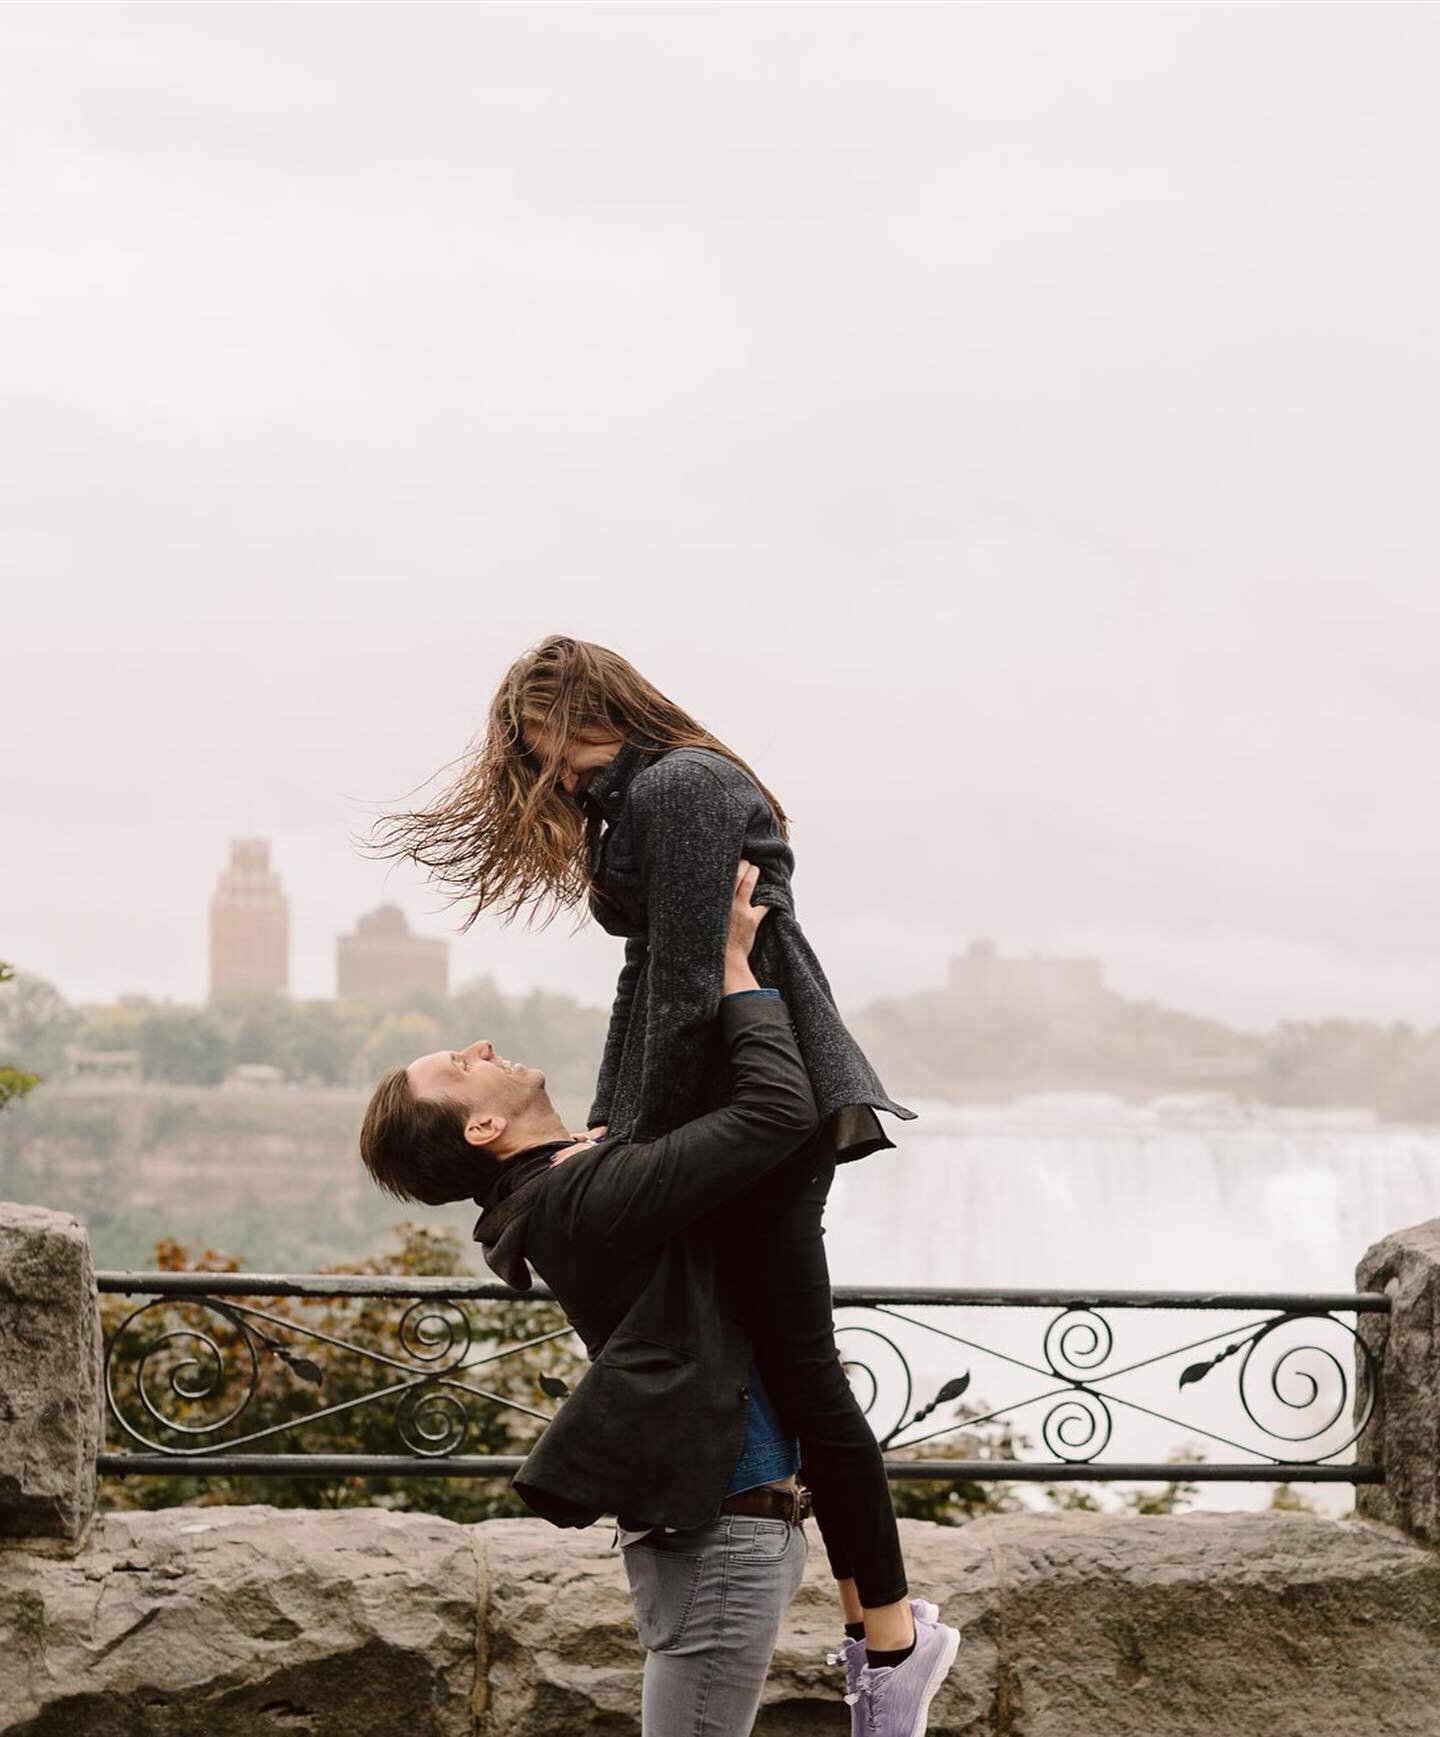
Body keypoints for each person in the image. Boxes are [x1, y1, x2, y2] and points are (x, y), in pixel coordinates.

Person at [373, 637, 961, 1736]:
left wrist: (634, 1131)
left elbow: (692, 971)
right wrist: (615, 1126)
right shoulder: (635, 798)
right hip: (712, 1086)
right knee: (784, 1369)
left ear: (572, 709)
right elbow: (646, 977)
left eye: (534, 744)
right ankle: (880, 1635)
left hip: (761, 1081)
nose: (536, 769)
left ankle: (891, 1643)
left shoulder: (684, 784)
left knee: (802, 1370)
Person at [361, 867, 810, 1734]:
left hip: (733, 1523)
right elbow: (776, 1110)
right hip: (723, 1529)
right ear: (480, 1129)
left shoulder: (573, 1178)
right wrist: (733, 970)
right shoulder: (577, 1198)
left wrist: (658, 936)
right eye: (462, 1065)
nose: (482, 1045)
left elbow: (636, 1064)